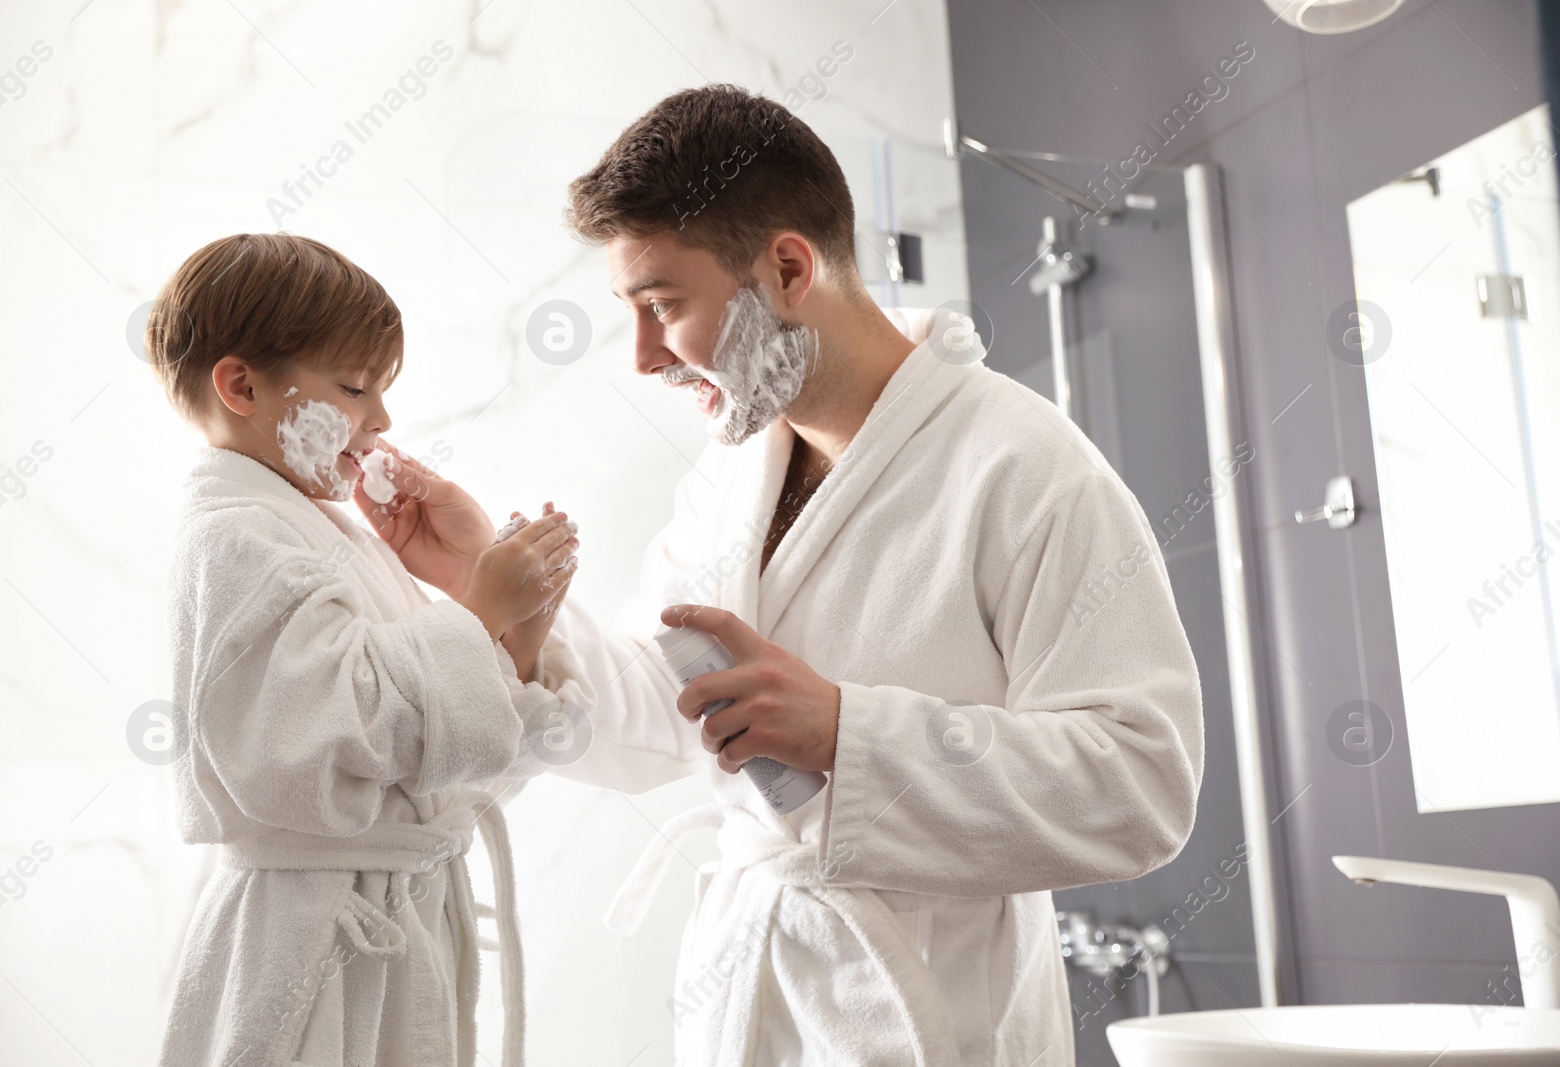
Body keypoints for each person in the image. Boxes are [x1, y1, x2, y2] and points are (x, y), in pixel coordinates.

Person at [375, 85, 1206, 1066]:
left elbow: (1140, 785)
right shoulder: (733, 474)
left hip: (929, 1015)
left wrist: (848, 736)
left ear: (785, 267)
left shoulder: (1022, 465)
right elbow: (663, 719)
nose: (641, 356)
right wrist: (489, 584)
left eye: (662, 305)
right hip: (756, 1004)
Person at [150, 233, 588, 1067]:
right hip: (308, 954)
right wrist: (476, 607)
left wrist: (505, 628)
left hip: (386, 921)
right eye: (355, 388)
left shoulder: (323, 533)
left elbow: (435, 768)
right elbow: (310, 743)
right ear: (241, 385)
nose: (382, 420)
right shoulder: (234, 538)